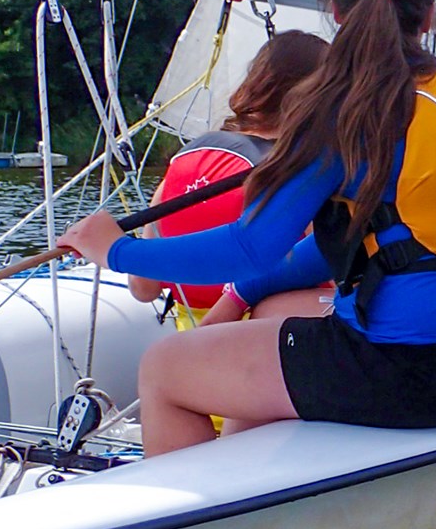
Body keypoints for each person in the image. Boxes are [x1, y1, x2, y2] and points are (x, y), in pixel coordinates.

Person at [61, 0, 436, 454]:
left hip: (401, 370)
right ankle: (250, 492)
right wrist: (246, 294)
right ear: (430, 16)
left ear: (335, 9)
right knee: (270, 338)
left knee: (165, 368)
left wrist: (114, 250)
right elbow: (368, 243)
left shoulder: (344, 112)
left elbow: (250, 247)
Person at [126, 29, 329, 318]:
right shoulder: (293, 174)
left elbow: (143, 289)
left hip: (198, 340)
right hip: (267, 340)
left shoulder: (182, 161)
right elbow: (335, 266)